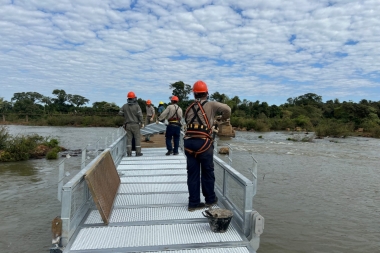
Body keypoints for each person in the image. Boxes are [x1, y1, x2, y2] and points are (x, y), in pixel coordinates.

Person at [184, 80, 231, 212]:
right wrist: (221, 119)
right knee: (207, 172)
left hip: (188, 143)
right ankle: (210, 199)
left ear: (194, 94)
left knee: (192, 174)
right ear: (207, 93)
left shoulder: (189, 107)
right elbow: (228, 109)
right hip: (203, 143)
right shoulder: (211, 104)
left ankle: (193, 203)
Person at [118, 91, 143, 157]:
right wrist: (142, 122)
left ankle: (129, 153)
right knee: (137, 138)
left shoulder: (124, 106)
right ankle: (138, 153)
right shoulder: (137, 106)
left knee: (129, 139)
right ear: (134, 98)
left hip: (127, 125)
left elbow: (120, 113)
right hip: (135, 125)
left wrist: (125, 115)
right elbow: (140, 115)